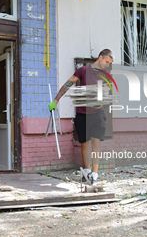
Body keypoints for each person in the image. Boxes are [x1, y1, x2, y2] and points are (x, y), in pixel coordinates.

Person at [48, 49, 114, 184]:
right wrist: (56, 100)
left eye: (109, 63)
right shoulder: (83, 70)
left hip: (97, 114)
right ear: (100, 57)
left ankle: (95, 174)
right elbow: (68, 84)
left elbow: (108, 94)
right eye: (106, 61)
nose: (107, 64)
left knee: (96, 142)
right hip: (82, 114)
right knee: (85, 143)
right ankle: (87, 171)